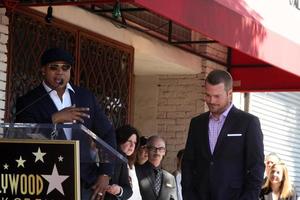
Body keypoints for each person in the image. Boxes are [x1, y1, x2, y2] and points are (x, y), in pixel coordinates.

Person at [15, 47, 117, 200]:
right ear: (43, 70)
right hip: (46, 181)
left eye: (65, 67)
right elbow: (23, 137)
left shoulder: (85, 97)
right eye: (53, 67)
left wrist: (105, 173)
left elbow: (107, 133)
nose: (60, 72)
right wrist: (54, 119)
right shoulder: (29, 101)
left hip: (85, 181)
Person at [181, 69, 265, 200]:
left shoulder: (248, 123)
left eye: (217, 96)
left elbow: (256, 167)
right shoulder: (197, 123)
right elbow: (188, 163)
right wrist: (188, 194)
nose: (211, 101)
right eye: (208, 95)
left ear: (229, 93)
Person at [105, 124, 142, 200]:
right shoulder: (107, 157)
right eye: (129, 141)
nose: (132, 146)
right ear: (120, 140)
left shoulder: (131, 164)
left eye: (135, 143)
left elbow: (129, 191)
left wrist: (119, 190)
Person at [136, 135, 178, 200]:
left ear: (164, 152)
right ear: (147, 150)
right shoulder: (136, 172)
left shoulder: (170, 178)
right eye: (153, 148)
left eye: (161, 149)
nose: (157, 152)